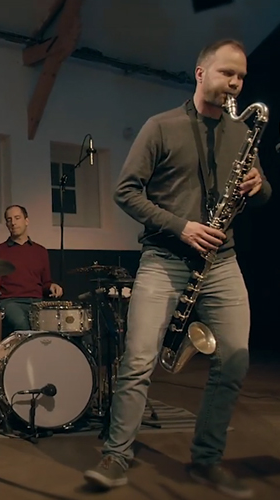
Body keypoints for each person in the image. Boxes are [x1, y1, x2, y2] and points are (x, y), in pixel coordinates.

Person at [82, 38, 270, 498]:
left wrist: (260, 184)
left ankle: (207, 459)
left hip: (222, 262)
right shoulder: (160, 126)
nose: (235, 84)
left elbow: (263, 198)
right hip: (165, 258)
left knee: (235, 361)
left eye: (241, 76)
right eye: (227, 73)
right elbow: (126, 191)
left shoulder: (242, 133)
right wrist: (181, 227)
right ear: (201, 72)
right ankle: (116, 455)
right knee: (140, 359)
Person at [0, 205, 63, 335]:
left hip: (37, 302)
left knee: (54, 327)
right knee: (22, 324)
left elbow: (46, 283)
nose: (13, 223)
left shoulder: (40, 251)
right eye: (9, 220)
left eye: (17, 218)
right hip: (10, 301)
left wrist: (52, 286)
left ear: (26, 221)